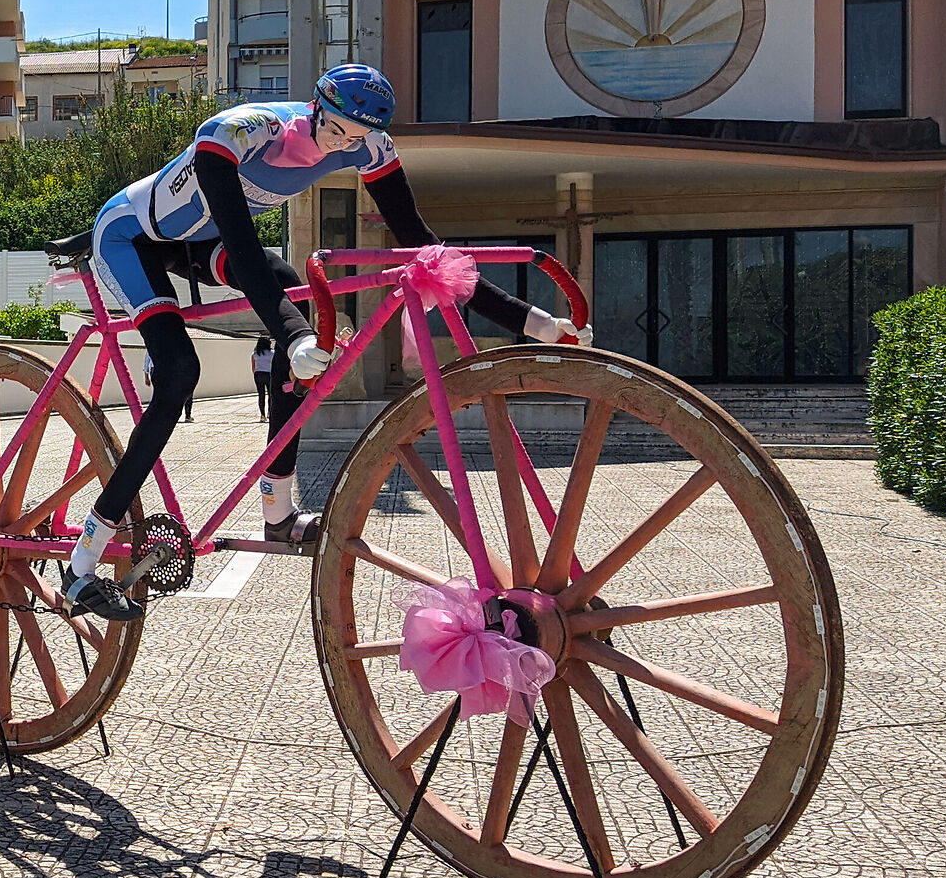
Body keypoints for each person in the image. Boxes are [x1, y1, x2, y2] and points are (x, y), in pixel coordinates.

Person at [62, 64, 591, 622]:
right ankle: (83, 564)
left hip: (201, 242)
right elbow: (242, 246)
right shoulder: (240, 132)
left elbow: (423, 246)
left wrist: (531, 322)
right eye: (336, 129)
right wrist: (288, 336)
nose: (344, 145)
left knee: (302, 308)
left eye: (357, 138)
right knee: (177, 375)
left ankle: (278, 511)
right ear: (315, 107)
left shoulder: (371, 145)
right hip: (131, 238)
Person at [251, 336, 275, 421]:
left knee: (261, 395)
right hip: (269, 374)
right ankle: (269, 412)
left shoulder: (255, 354)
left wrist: (256, 374)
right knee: (270, 394)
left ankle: (262, 415)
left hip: (258, 374)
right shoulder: (272, 353)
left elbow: (253, 367)